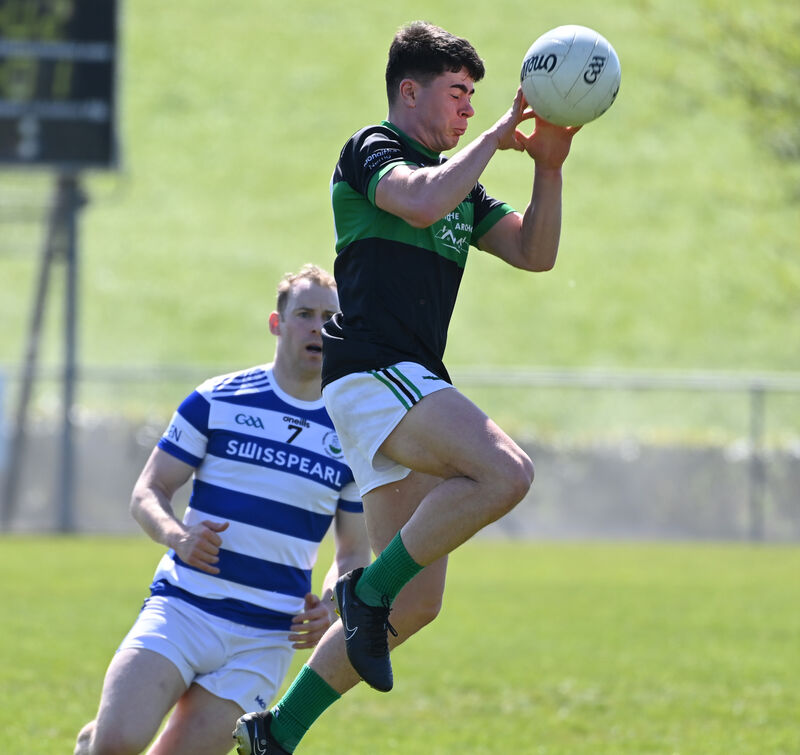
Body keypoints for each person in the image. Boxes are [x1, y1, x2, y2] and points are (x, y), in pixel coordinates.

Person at [233, 21, 580, 754]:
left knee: (417, 601)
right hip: (372, 372)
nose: (467, 109)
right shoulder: (373, 150)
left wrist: (548, 165)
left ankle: (276, 729)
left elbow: (534, 252)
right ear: (409, 89)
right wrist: (493, 136)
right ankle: (363, 589)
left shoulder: (462, 184)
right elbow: (419, 201)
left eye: (473, 98)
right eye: (458, 94)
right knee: (504, 471)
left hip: (404, 383)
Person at [74, 264, 371, 755]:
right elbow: (148, 491)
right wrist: (178, 537)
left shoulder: (350, 435)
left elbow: (353, 551)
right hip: (184, 608)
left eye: (328, 317)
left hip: (266, 636)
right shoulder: (217, 400)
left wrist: (331, 607)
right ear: (277, 324)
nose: (318, 327)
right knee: (116, 745)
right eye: (304, 314)